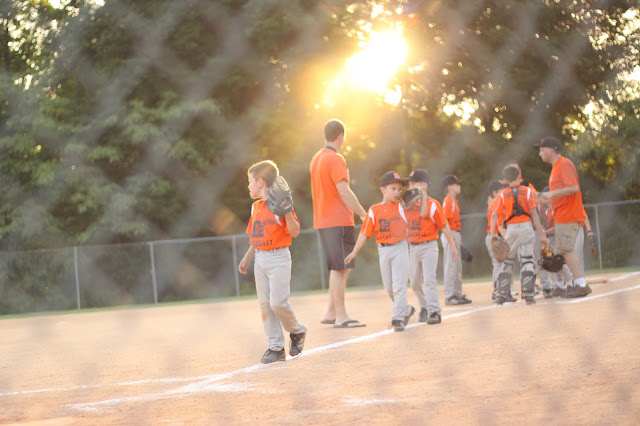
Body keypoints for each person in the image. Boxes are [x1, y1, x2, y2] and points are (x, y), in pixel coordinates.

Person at [238, 160, 307, 364]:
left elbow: (295, 232)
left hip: (278, 258)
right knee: (265, 306)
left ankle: (297, 330)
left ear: (260, 182)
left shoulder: (280, 205)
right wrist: (247, 258)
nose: (248, 185)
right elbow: (255, 237)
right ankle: (276, 348)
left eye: (250, 181)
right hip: (260, 258)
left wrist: (287, 211)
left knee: (277, 302)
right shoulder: (255, 207)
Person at [310, 119, 368, 328]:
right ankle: (341, 316)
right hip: (338, 220)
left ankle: (331, 312)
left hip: (323, 221)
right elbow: (343, 191)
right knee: (340, 268)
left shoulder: (316, 159)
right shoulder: (335, 159)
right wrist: (362, 213)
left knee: (340, 267)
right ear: (341, 137)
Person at [344, 171, 415, 332]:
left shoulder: (402, 206)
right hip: (383, 250)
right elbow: (364, 233)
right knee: (389, 288)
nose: (397, 192)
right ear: (383, 189)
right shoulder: (374, 210)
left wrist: (419, 194)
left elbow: (416, 209)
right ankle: (406, 309)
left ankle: (398, 318)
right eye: (393, 188)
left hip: (400, 248)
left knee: (398, 286)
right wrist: (354, 252)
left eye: (399, 189)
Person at [535, 137, 592, 298]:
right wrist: (547, 198)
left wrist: (551, 194)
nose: (540, 154)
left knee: (566, 251)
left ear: (552, 150)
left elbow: (573, 188)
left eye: (542, 150)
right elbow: (562, 193)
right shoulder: (555, 168)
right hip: (562, 215)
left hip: (568, 215)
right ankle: (578, 283)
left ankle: (581, 284)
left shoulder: (564, 164)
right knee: (565, 251)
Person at [405, 169, 457, 324]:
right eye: (410, 184)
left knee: (429, 279)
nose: (410, 186)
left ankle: (434, 311)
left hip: (429, 246)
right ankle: (424, 307)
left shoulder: (433, 204)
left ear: (424, 185)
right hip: (412, 247)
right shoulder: (406, 205)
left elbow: (444, 226)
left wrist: (453, 246)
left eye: (413, 183)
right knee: (414, 282)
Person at [491, 165, 548, 304]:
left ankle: (502, 294)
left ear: (505, 179)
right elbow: (534, 213)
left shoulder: (503, 194)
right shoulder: (527, 191)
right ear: (518, 176)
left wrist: (493, 234)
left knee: (507, 260)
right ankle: (528, 294)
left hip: (511, 229)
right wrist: (542, 234)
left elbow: (494, 215)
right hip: (527, 227)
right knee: (527, 259)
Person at [440, 175, 471, 305]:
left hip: (455, 234)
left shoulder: (453, 201)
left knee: (457, 267)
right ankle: (450, 295)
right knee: (451, 266)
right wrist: (451, 239)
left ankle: (457, 293)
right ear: (449, 187)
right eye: (456, 184)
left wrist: (459, 241)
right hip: (450, 234)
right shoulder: (448, 201)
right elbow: (445, 222)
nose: (459, 186)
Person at [485, 180, 516, 302]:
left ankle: (499, 291)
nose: (505, 191)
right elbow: (499, 224)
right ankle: (500, 291)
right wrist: (508, 240)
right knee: (500, 265)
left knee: (499, 264)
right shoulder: (496, 204)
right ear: (495, 192)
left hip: (494, 236)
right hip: (496, 237)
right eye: (502, 189)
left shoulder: (493, 203)